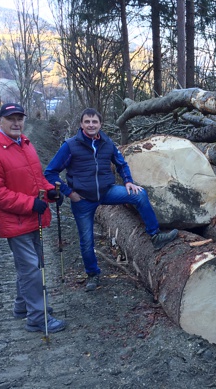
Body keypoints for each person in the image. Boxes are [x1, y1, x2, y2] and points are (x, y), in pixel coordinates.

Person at [44, 108, 178, 292]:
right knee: (86, 240)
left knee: (139, 194)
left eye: (94, 122)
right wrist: (69, 193)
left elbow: (121, 163)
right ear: (81, 124)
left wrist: (128, 181)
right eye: (87, 122)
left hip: (107, 191)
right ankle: (93, 274)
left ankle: (155, 235)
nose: (91, 125)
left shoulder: (107, 142)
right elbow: (50, 173)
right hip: (82, 199)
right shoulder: (70, 145)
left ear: (100, 124)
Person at [0, 103, 67, 333]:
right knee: (31, 269)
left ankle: (22, 307)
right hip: (14, 220)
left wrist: (49, 192)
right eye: (11, 119)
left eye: (20, 118)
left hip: (31, 217)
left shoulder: (25, 144)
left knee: (31, 266)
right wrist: (30, 204)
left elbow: (36, 180)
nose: (16, 123)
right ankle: (37, 317)